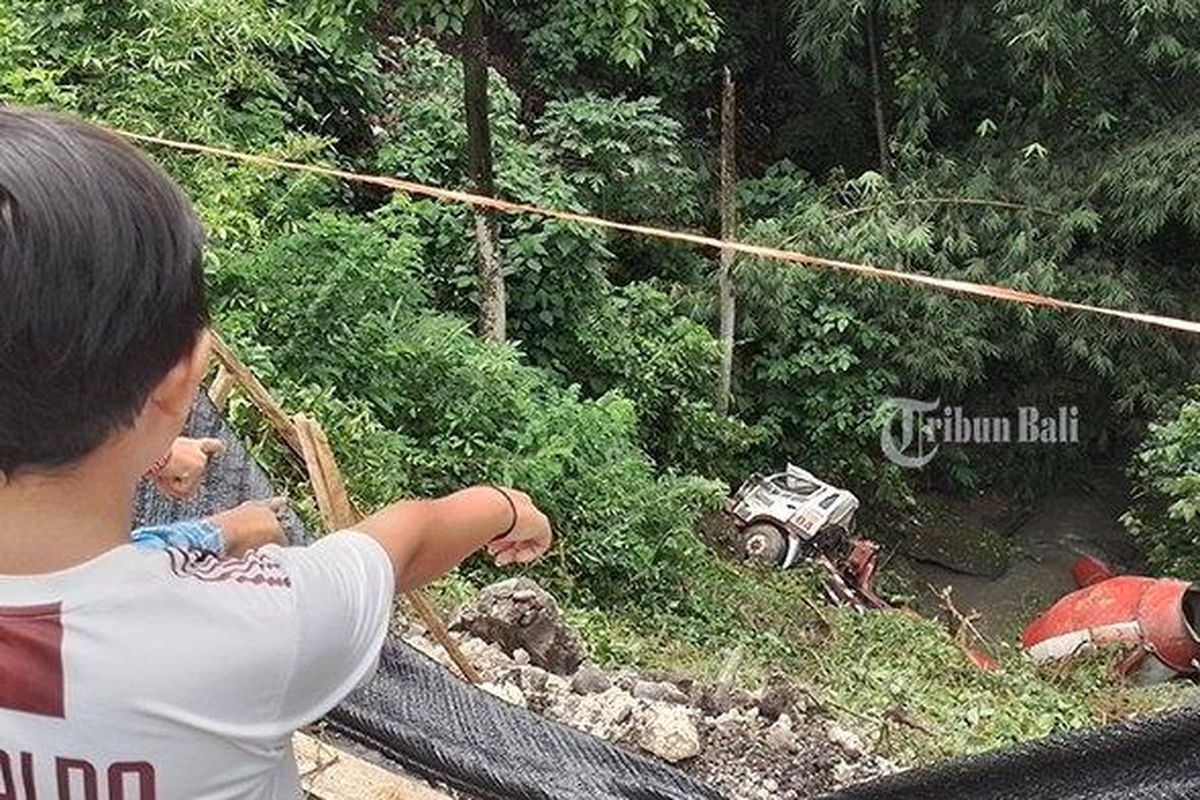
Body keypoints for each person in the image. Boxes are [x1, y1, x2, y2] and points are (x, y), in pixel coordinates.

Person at [0, 107, 553, 798]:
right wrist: (504, 506)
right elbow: (405, 541)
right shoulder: (255, 627)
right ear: (182, 382)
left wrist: (209, 524)